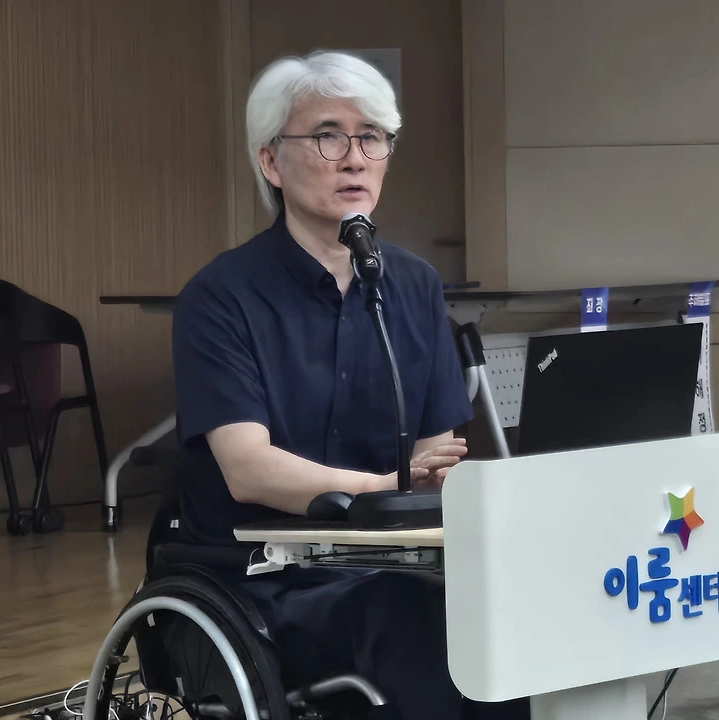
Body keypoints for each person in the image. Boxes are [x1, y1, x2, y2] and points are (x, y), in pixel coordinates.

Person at [171, 50, 530, 720]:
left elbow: (434, 453)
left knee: (504, 595)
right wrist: (382, 489)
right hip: (264, 574)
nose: (356, 159)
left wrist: (427, 483)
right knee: (415, 611)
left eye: (372, 138)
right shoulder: (220, 298)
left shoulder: (414, 285)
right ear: (271, 162)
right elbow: (249, 470)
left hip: (388, 556)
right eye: (328, 137)